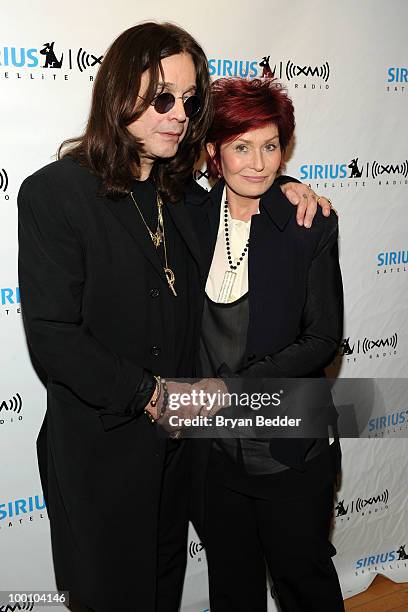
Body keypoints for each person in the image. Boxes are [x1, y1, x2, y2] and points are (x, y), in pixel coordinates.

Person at [18, 22, 332, 612]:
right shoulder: (54, 194)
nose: (179, 114)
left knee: (165, 591)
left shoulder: (181, 194)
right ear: (118, 94)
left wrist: (289, 187)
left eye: (189, 101)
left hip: (184, 454)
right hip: (104, 455)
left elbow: (247, 180)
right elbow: (54, 337)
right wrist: (150, 395)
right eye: (162, 97)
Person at [188, 77, 345, 612]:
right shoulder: (191, 219)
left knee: (304, 582)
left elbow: (323, 337)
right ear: (214, 150)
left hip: (288, 447)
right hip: (213, 452)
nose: (258, 163)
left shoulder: (307, 222)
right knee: (232, 588)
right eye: (241, 146)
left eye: (271, 145)